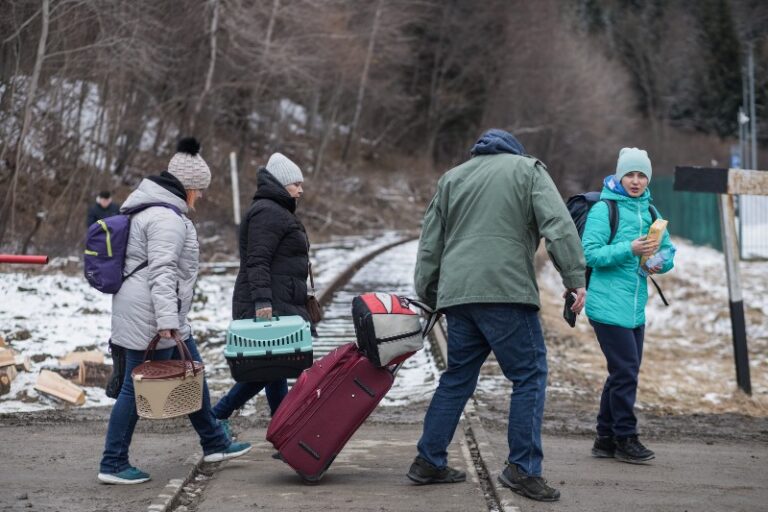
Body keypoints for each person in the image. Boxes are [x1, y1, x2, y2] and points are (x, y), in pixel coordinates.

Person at [408, 129, 586, 502]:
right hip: (505, 291)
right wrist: (574, 278)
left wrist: (430, 292)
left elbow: (430, 242)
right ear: (514, 151)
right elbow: (557, 224)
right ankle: (522, 468)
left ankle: (428, 460)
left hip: (458, 297)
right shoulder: (528, 170)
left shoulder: (452, 178)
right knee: (529, 375)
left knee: (457, 378)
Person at [98, 138, 251, 485]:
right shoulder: (165, 218)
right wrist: (167, 321)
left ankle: (214, 442)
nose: (200, 196)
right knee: (133, 389)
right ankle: (112, 463)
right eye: (199, 189)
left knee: (192, 371)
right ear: (188, 187)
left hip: (155, 311)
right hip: (151, 315)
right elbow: (163, 271)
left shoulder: (155, 210)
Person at [582, 147, 674, 464]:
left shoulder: (650, 210)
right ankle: (625, 437)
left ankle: (604, 439)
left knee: (621, 372)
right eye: (630, 175)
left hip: (635, 306)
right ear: (620, 176)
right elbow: (590, 254)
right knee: (625, 372)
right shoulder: (604, 210)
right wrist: (629, 249)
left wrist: (658, 263)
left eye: (641, 175)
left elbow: (669, 250)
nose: (635, 181)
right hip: (606, 304)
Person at [213, 153, 311, 434]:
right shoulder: (268, 212)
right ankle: (218, 416)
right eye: (295, 184)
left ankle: (283, 430)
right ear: (281, 184)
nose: (300, 190)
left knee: (272, 367)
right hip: (270, 301)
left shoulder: (274, 210)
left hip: (279, 298)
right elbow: (257, 260)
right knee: (270, 367)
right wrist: (262, 301)